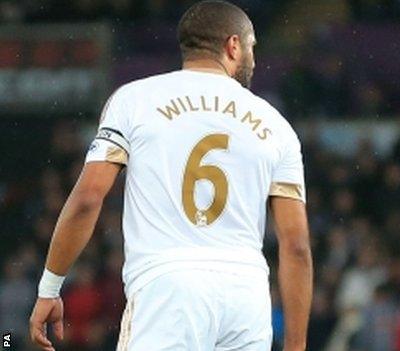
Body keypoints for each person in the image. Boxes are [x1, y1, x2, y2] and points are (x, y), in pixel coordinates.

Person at [29, 1, 313, 350]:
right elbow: (296, 245)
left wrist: (50, 289)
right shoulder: (276, 125)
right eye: (252, 47)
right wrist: (297, 346)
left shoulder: (135, 99)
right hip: (247, 296)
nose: (253, 58)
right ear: (233, 45)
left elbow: (88, 198)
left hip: (168, 290)